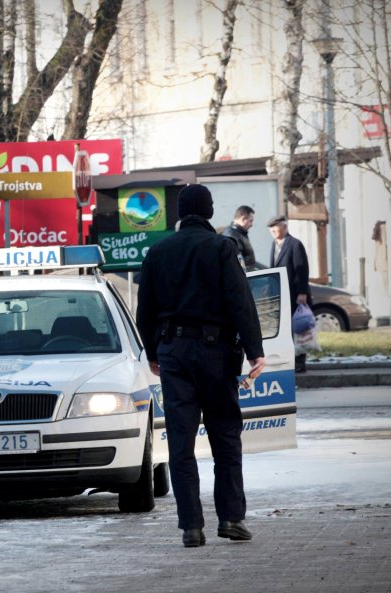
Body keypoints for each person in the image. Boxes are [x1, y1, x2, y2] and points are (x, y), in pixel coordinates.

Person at [136, 184, 266, 548]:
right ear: (208, 212)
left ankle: (191, 527)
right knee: (225, 435)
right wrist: (255, 350)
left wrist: (153, 353)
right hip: (215, 354)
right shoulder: (223, 248)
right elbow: (240, 302)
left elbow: (145, 309)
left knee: (181, 441)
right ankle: (231, 519)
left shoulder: (158, 251)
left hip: (173, 352)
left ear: (180, 213)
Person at [267, 214, 312, 373]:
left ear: (284, 227)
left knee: (299, 329)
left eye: (275, 227)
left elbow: (301, 269)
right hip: (282, 295)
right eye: (270, 228)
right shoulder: (274, 244)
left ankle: (300, 363)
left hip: (295, 295)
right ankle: (289, 360)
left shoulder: (295, 244)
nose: (272, 230)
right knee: (286, 330)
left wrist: (302, 292)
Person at [221, 205, 257, 271]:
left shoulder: (240, 232)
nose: (252, 224)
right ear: (243, 219)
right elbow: (237, 261)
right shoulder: (231, 234)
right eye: (250, 221)